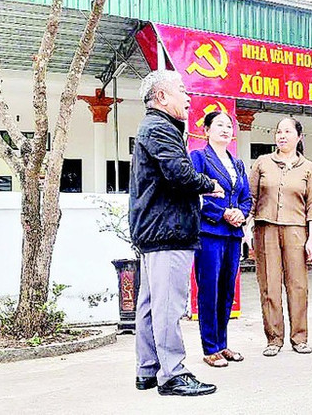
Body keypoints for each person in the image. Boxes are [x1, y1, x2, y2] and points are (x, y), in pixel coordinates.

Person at [129, 70, 223, 396]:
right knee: (169, 304)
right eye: (182, 91)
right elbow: (179, 173)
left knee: (152, 304)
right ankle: (173, 374)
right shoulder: (160, 128)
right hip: (168, 230)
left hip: (156, 229)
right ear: (162, 97)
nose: (188, 97)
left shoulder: (156, 128)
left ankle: (147, 370)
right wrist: (209, 185)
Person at [249, 117, 312, 357]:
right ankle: (273, 339)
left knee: (298, 285)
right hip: (265, 228)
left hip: (296, 231)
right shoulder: (262, 163)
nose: (282, 136)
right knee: (269, 285)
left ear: (298, 137)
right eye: (278, 131)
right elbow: (250, 198)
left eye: (287, 132)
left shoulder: (308, 167)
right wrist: (245, 230)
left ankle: (299, 337)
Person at [190, 111, 252, 368]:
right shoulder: (199, 158)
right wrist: (222, 213)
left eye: (229, 126)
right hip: (210, 233)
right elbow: (193, 196)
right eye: (219, 125)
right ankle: (210, 348)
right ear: (206, 130)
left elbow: (246, 197)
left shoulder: (237, 164)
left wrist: (241, 213)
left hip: (233, 235)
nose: (225, 129)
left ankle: (223, 343)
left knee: (227, 291)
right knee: (209, 289)